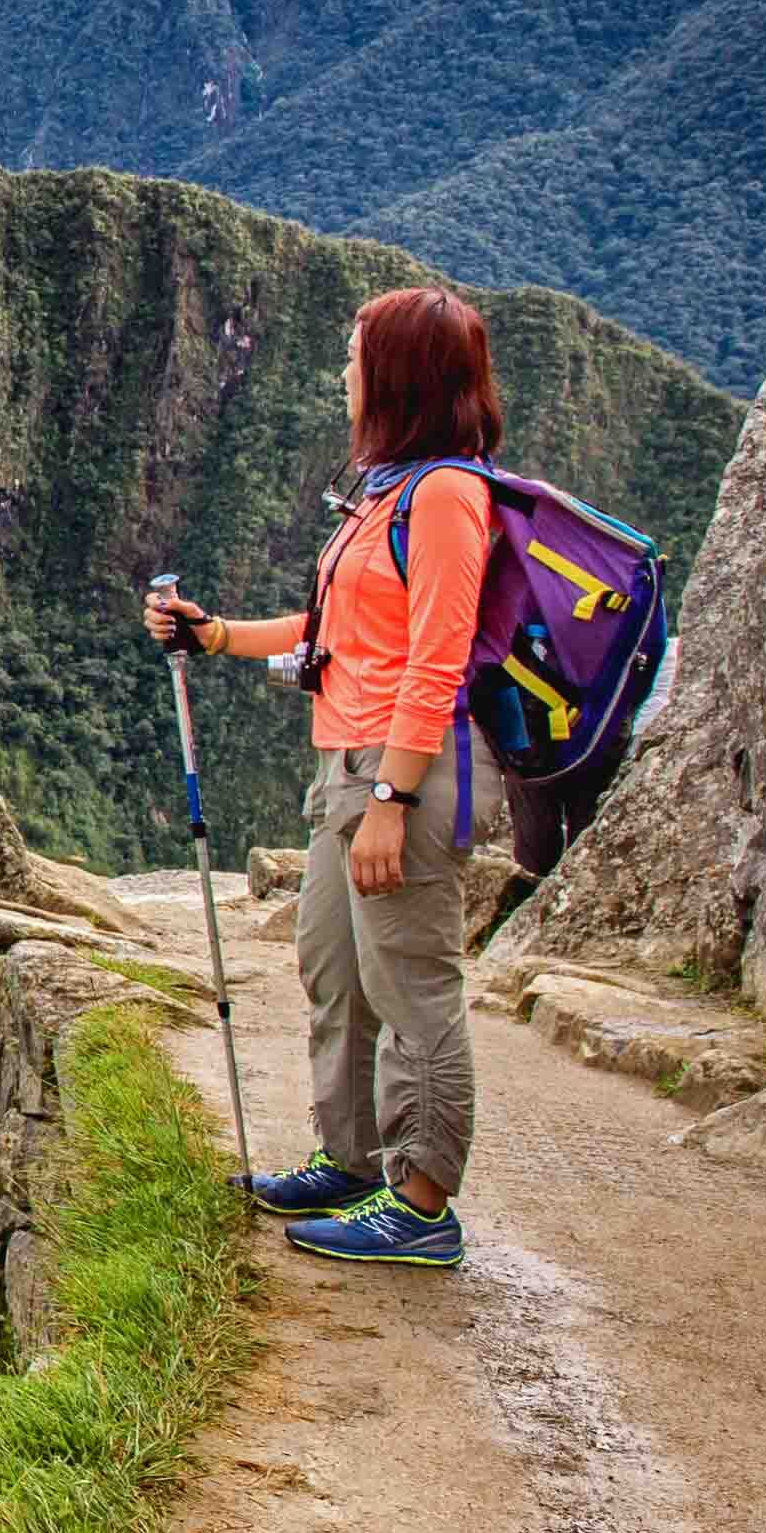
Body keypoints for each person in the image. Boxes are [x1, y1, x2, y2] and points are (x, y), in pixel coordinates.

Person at [140, 285, 497, 1272]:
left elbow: (439, 656)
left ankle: (422, 1203)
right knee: (336, 972)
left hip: (401, 776)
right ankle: (352, 1162)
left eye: (354, 359)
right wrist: (213, 636)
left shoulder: (448, 498)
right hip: (344, 768)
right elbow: (328, 634)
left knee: (411, 985)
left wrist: (391, 797)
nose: (342, 375)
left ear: (397, 378)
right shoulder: (387, 493)